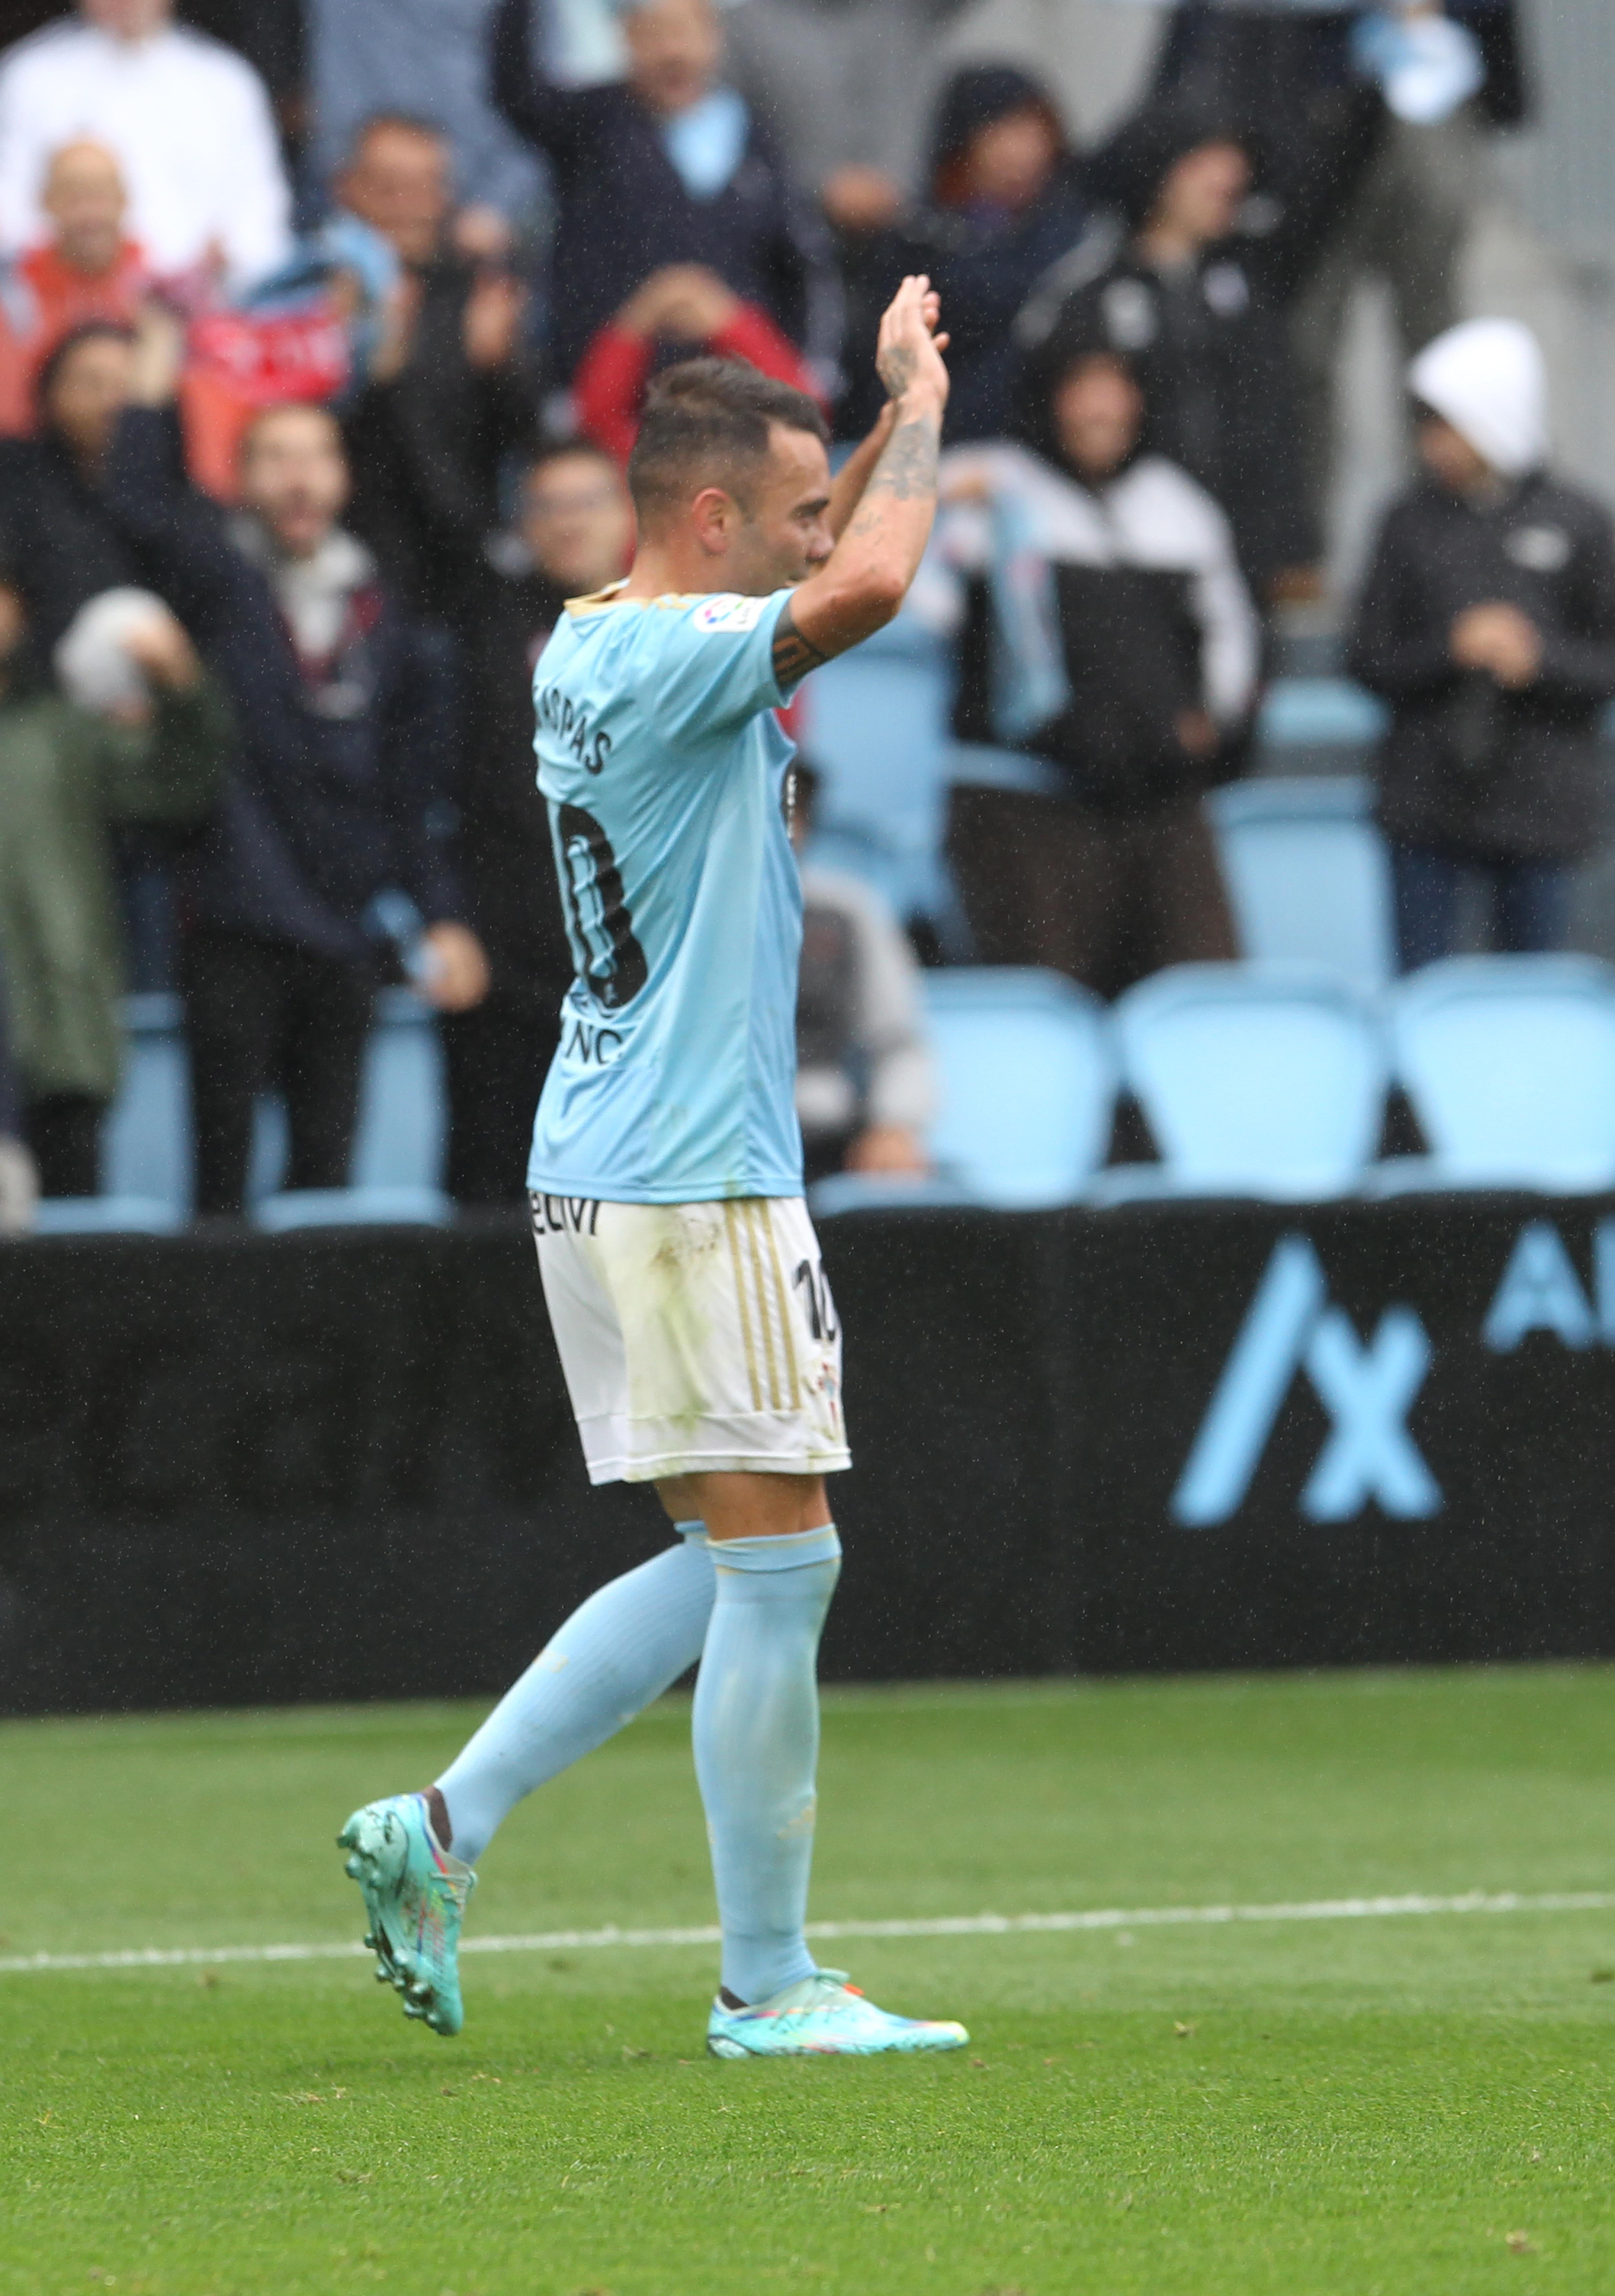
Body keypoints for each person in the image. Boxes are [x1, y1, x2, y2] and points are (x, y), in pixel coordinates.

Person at [339, 279, 970, 2060]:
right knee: (782, 1570)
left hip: (603, 1155)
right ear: (707, 520)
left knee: (727, 1556)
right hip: (694, 1175)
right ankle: (766, 1984)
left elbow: (822, 542)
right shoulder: (683, 653)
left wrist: (875, 412)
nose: (813, 535)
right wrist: (928, 413)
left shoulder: (593, 640)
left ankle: (444, 1824)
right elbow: (873, 584)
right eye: (785, 513)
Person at [99, 379, 490, 1216]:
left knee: (326, 1182)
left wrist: (439, 913)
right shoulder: (212, 582)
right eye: (274, 458)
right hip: (234, 925)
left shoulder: (380, 606)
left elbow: (407, 786)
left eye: (316, 456)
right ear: (239, 479)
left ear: (344, 476)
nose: (298, 477)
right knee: (220, 1188)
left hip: (346, 933)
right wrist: (156, 387)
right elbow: (134, 503)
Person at [940, 326, 1258, 995]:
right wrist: (943, 502)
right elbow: (922, 603)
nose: (1098, 411)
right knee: (1049, 1000)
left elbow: (1232, 636)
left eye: (1114, 391)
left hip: (1160, 801)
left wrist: (1211, 721)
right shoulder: (994, 491)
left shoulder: (1178, 508)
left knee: (1200, 992)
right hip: (1029, 801)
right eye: (1081, 391)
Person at [1348, 318, 1615, 971]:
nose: (1433, 443)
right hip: (1427, 804)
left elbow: (1604, 663)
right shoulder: (1406, 522)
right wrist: (1452, 648)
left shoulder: (1578, 520)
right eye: (1426, 424)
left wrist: (1538, 660)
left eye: (1449, 424)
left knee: (1537, 993)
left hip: (1541, 804)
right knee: (1425, 990)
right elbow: (1366, 658)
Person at [1015, 96, 1339, 601]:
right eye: (1203, 161)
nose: (1226, 176)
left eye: (1231, 162)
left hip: (1255, 559)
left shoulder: (1256, 281)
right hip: (1136, 560)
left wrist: (1292, 545)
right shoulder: (1090, 296)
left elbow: (1275, 427)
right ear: (1160, 172)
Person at [444, 440, 634, 1206]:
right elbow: (441, 789)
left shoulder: (676, 629)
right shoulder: (477, 632)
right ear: (522, 526)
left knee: (633, 1195)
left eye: (587, 503)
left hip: (642, 963)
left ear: (627, 515)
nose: (569, 523)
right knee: (500, 1187)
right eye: (549, 508)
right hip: (508, 958)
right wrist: (446, 919)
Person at [0, 577, 229, 1195]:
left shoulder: (64, 733)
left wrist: (181, 689)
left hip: (57, 1044)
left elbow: (177, 786)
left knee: (73, 1241)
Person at [490, 0, 837, 392]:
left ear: (714, 39)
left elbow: (796, 263)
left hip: (735, 392)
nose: (673, 52)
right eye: (654, 34)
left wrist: (793, 361)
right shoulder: (589, 124)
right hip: (615, 393)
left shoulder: (755, 136)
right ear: (626, 40)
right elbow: (514, 89)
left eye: (685, 32)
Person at [331, 113, 539, 629]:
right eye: (388, 187)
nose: (406, 206)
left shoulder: (481, 290)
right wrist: (361, 367)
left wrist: (500, 367)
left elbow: (528, 436)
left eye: (423, 188)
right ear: (348, 190)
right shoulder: (316, 287)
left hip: (466, 559)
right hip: (353, 555)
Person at [837, 64, 1087, 447]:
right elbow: (875, 371)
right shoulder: (914, 243)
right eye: (1001, 134)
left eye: (1035, 134)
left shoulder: (1076, 246)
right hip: (918, 448)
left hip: (1030, 459)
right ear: (963, 143)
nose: (1022, 153)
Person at [0, 0, 293, 291]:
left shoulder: (226, 82)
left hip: (201, 303)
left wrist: (230, 259)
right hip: (70, 300)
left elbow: (262, 215)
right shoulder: (30, 78)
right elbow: (10, 212)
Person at [791, 760, 935, 1183]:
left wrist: (894, 1124)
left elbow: (898, 1045)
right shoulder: (665, 919)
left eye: (791, 812)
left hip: (825, 1147)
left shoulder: (847, 912)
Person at [573, 264, 822, 465]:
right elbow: (595, 424)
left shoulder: (757, 455)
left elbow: (803, 414)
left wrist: (729, 323)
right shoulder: (652, 466)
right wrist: (635, 326)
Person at [0, 142, 149, 436]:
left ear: (124, 200)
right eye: (73, 196)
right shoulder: (16, 298)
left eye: (102, 194)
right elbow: (11, 421)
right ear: (46, 202)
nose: (90, 212)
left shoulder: (154, 290)